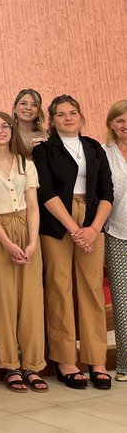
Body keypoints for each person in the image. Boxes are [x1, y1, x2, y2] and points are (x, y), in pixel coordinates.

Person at [31, 95, 113, 390]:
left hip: (92, 220)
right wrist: (74, 229)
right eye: (61, 114)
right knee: (60, 288)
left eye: (72, 113)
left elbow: (107, 191)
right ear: (51, 120)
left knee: (92, 289)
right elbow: (46, 192)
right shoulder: (44, 151)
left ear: (81, 117)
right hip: (58, 222)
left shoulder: (93, 148)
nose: (68, 118)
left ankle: (97, 360)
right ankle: (66, 360)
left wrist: (92, 229)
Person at [0, 112, 46, 392]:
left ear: (13, 130)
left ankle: (33, 364)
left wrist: (32, 241)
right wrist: (6, 242)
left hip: (26, 229)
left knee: (31, 301)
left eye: (5, 126)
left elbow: (34, 205)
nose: (0, 131)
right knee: (3, 301)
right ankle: (10, 364)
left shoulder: (26, 162)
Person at [103, 100, 127, 381]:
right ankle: (124, 363)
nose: (125, 125)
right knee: (122, 302)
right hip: (117, 233)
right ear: (111, 124)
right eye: (120, 120)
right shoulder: (105, 153)